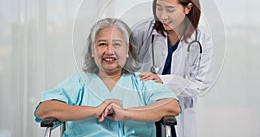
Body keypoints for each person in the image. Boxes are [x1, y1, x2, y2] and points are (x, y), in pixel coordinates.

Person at [34, 18, 180, 137]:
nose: (109, 51)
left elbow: (172, 106)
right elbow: (44, 110)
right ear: (92, 50)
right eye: (102, 44)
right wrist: (94, 111)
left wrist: (127, 114)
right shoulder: (79, 82)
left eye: (117, 44)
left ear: (127, 50)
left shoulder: (141, 81)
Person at [132, 0, 214, 137]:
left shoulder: (202, 40)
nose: (163, 16)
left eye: (170, 9)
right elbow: (125, 69)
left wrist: (163, 80)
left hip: (178, 115)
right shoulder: (143, 31)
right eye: (159, 7)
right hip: (142, 111)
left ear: (188, 8)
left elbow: (200, 85)